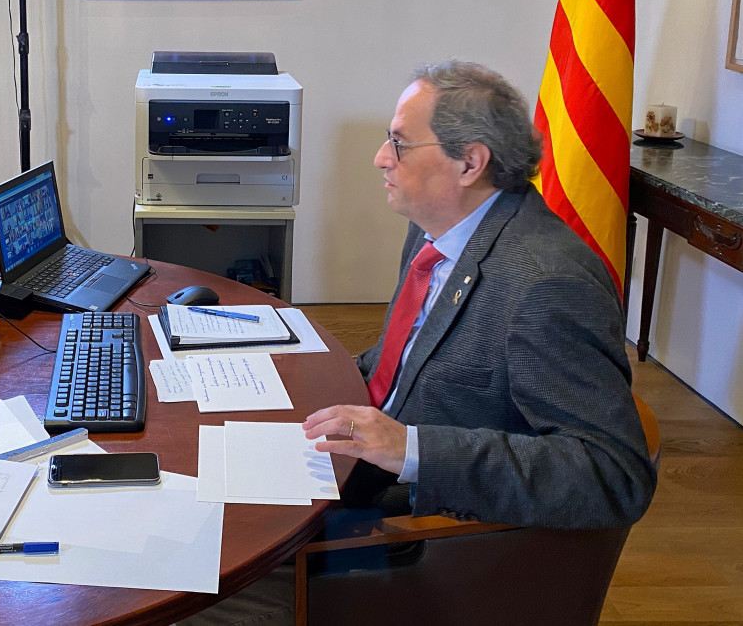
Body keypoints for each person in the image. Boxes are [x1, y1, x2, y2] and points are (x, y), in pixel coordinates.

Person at [181, 61, 655, 626]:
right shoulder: (439, 229)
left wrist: (410, 447)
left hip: (405, 535)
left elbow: (613, 475)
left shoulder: (546, 282)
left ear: (469, 162)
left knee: (184, 580)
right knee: (185, 487)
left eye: (400, 144)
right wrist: (279, 371)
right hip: (344, 468)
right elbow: (404, 365)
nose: (382, 158)